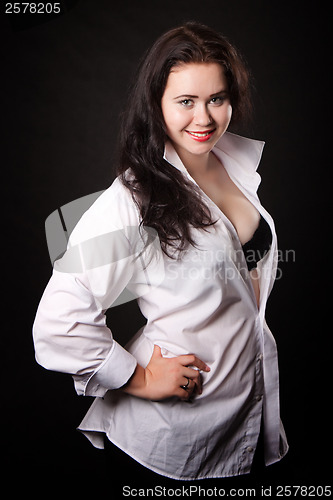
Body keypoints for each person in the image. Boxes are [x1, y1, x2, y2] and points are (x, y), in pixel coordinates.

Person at [33, 21, 289, 483]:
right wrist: (140, 378)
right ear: (156, 104)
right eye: (186, 101)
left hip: (239, 421)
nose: (204, 119)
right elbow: (58, 323)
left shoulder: (233, 163)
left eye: (217, 99)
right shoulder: (132, 199)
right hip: (170, 446)